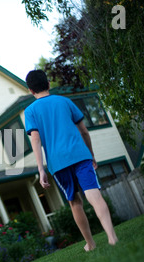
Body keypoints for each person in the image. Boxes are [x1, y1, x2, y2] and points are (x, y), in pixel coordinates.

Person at [24, 70, 118, 251]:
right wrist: (91, 154)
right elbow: (84, 131)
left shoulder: (30, 111)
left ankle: (90, 243)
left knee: (75, 202)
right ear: (48, 85)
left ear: (30, 90)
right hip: (80, 154)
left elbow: (35, 139)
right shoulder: (65, 101)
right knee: (94, 195)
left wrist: (41, 169)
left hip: (58, 162)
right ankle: (112, 237)